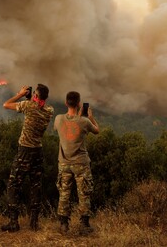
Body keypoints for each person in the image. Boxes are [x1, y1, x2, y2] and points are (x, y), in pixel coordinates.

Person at [1, 84, 54, 232]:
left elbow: (6, 105)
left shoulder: (28, 106)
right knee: (35, 186)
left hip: (25, 150)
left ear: (36, 96)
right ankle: (34, 223)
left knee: (13, 185)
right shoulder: (50, 111)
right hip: (38, 151)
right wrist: (32, 97)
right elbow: (39, 105)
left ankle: (13, 222)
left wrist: (20, 94)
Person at [54, 91, 99, 234]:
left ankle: (63, 224)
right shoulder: (84, 121)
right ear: (79, 104)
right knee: (84, 193)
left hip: (64, 163)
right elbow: (96, 130)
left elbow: (69, 127)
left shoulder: (58, 119)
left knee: (64, 193)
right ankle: (84, 225)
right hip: (81, 163)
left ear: (66, 103)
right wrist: (91, 117)